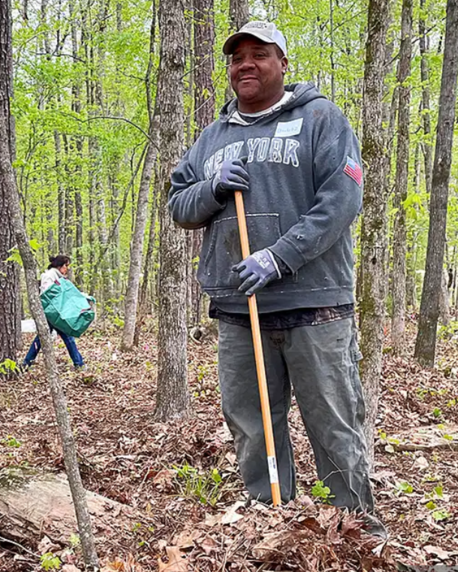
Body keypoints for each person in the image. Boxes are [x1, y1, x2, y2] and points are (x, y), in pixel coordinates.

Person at [167, 21, 385, 536]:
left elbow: (341, 202)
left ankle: (354, 535)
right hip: (239, 312)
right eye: (236, 56)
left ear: (283, 63)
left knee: (333, 427)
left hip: (315, 307)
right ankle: (273, 527)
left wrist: (278, 257)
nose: (245, 63)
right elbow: (179, 206)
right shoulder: (212, 138)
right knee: (252, 427)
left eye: (259, 54)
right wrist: (212, 189)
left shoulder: (321, 119)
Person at [21, 255, 86, 371]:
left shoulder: (59, 277)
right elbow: (48, 293)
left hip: (56, 313)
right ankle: (79, 364)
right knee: (66, 337)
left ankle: (26, 363)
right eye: (66, 265)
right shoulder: (49, 276)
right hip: (52, 313)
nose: (67, 268)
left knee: (42, 338)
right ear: (59, 265)